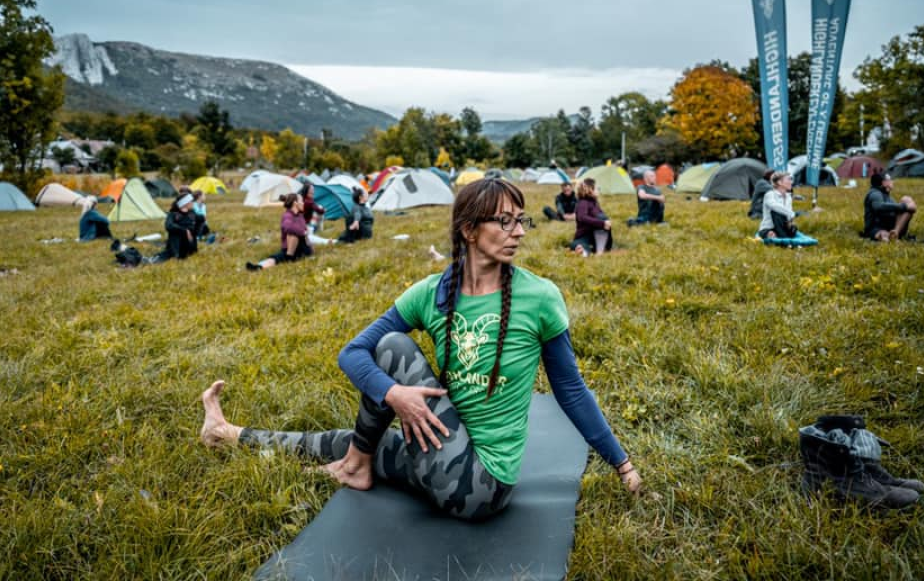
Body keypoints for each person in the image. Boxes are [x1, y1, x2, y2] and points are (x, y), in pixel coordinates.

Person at [202, 178, 642, 520]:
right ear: (469, 230)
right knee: (350, 441)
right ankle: (227, 432)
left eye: (521, 220)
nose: (519, 232)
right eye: (505, 222)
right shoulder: (431, 293)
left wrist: (621, 464)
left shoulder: (540, 297)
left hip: (482, 488)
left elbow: (570, 389)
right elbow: (352, 353)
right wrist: (394, 394)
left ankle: (355, 466)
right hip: (443, 448)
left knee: (393, 348)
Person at [246, 193, 312, 271]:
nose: (303, 203)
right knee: (277, 257)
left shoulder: (300, 216)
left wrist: (302, 232)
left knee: (292, 235)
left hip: (302, 249)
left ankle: (289, 257)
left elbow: (303, 229)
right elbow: (288, 228)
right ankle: (259, 266)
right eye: (301, 201)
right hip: (290, 249)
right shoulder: (287, 215)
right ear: (295, 203)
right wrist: (302, 232)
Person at [863, 172, 917, 241]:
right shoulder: (875, 193)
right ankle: (888, 237)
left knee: (906, 199)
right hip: (876, 228)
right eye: (890, 180)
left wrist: (907, 206)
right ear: (884, 183)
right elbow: (879, 206)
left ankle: (895, 232)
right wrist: (904, 206)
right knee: (883, 235)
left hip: (891, 227)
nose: (892, 181)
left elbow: (912, 208)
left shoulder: (886, 195)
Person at [571, 178, 613, 257]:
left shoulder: (594, 202)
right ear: (590, 189)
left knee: (603, 217)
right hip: (584, 235)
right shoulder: (583, 202)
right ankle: (583, 251)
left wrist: (606, 222)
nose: (599, 190)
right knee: (579, 244)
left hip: (595, 236)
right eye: (597, 188)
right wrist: (602, 223)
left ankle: (599, 249)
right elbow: (582, 217)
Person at [757, 172, 800, 239]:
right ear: (780, 182)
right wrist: (791, 213)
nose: (791, 182)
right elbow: (774, 206)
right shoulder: (770, 194)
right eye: (789, 179)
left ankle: (783, 235)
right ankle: (780, 236)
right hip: (769, 227)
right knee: (776, 212)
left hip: (783, 226)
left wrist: (790, 222)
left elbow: (789, 215)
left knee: (793, 228)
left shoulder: (788, 197)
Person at [162, 192, 198, 260]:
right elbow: (168, 226)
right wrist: (184, 230)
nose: (193, 203)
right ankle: (175, 254)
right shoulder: (173, 214)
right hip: (177, 245)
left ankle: (189, 252)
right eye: (191, 201)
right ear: (185, 203)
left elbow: (196, 225)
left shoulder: (192, 213)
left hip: (189, 245)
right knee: (175, 232)